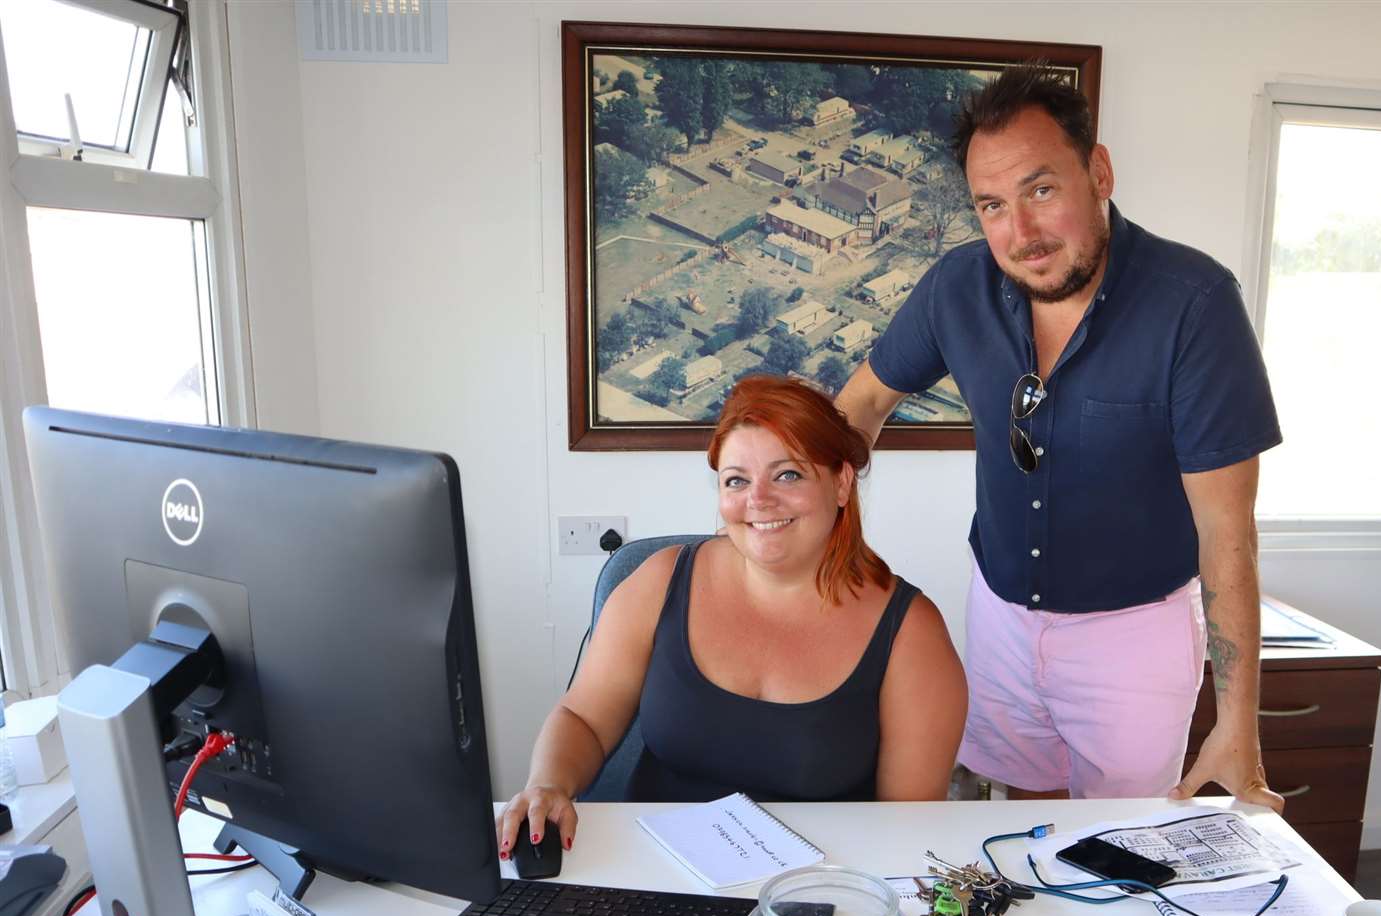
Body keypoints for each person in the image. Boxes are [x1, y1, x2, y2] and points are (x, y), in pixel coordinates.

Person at [835, 63, 1285, 809]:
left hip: (1135, 637)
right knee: (1025, 824)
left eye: (1041, 190)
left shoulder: (1195, 304)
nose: (1022, 232)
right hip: (1001, 617)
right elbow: (859, 407)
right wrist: (825, 551)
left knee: (1121, 851)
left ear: (1097, 171)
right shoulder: (957, 287)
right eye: (992, 205)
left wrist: (1239, 723)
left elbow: (1227, 530)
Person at [498, 376, 967, 856]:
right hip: (654, 878)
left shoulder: (910, 633)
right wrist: (549, 784)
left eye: (788, 474)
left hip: (814, 899)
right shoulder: (659, 582)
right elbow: (583, 718)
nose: (758, 500)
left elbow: (907, 830)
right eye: (737, 480)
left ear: (842, 483)